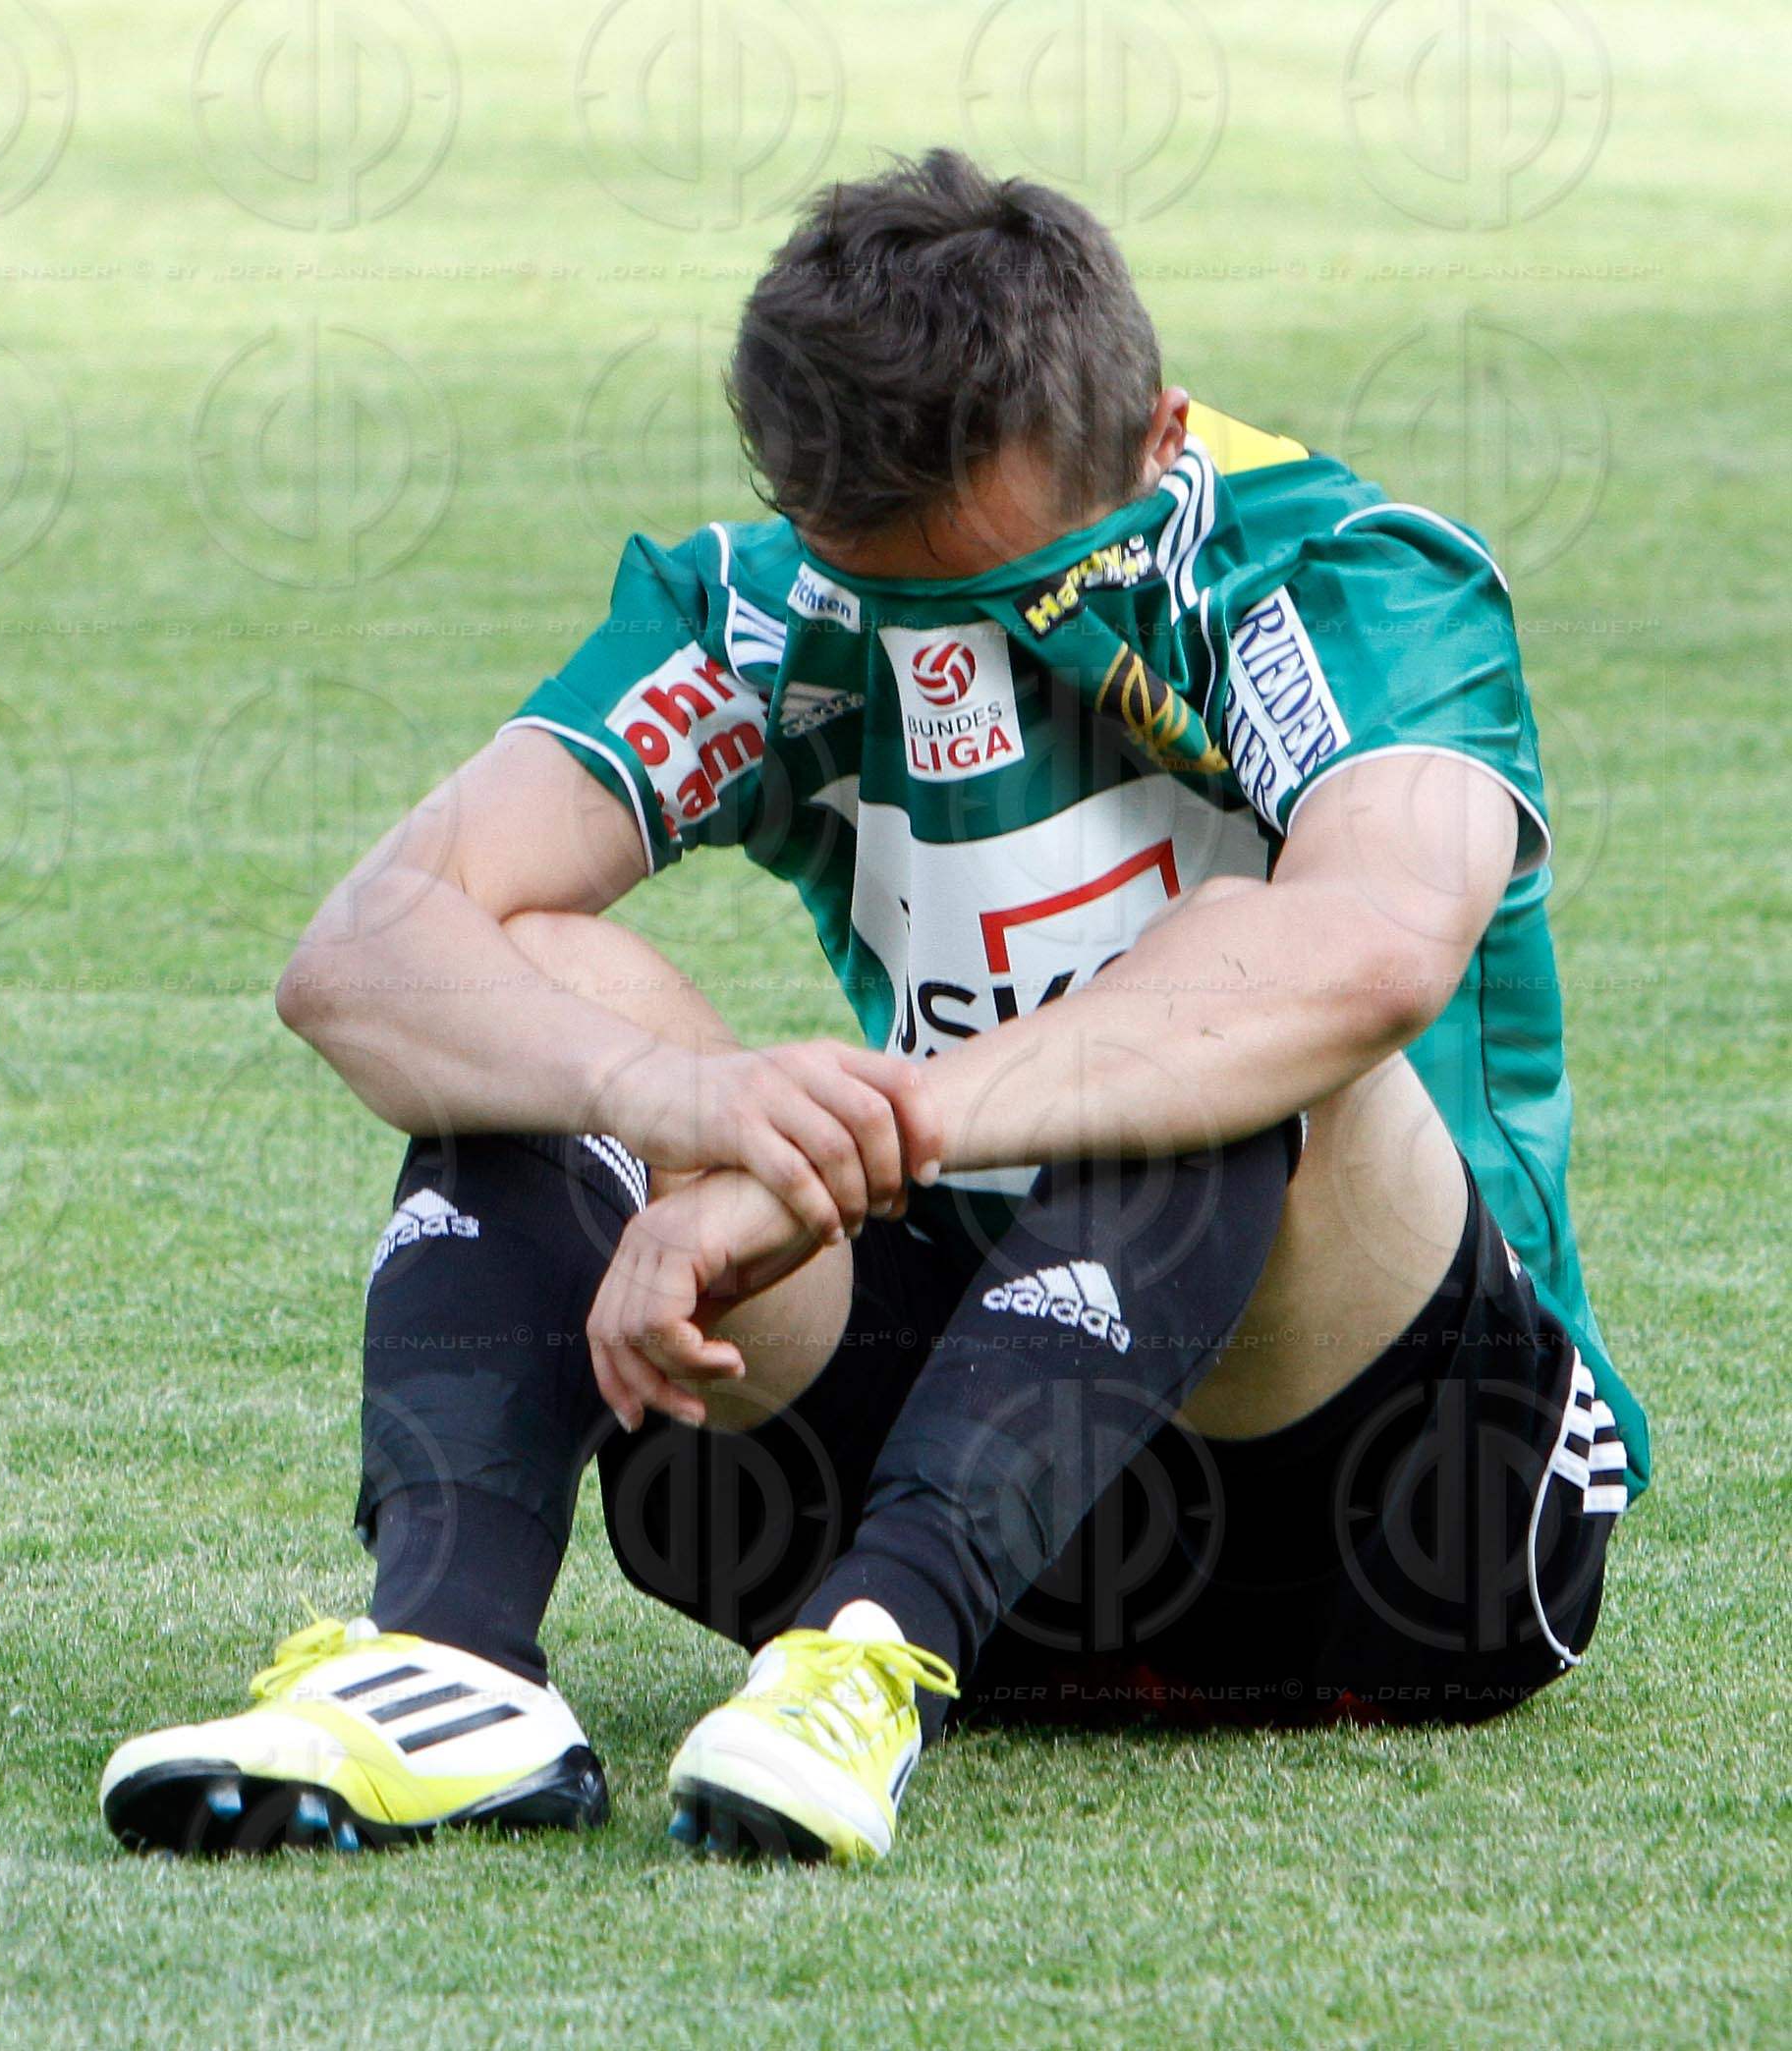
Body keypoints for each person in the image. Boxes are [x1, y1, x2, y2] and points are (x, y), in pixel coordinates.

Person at [101, 149, 1643, 1865]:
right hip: (970, 1465)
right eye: (898, 600)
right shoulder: (771, 607)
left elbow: (1373, 950)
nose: (956, 658)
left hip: (1407, 1532)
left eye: (1014, 593)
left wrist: (857, 1143)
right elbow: (363, 951)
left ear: (1159, 440)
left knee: (1224, 992)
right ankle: (449, 1665)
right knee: (537, 988)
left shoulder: (1354, 575)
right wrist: (675, 1102)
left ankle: (873, 1655)